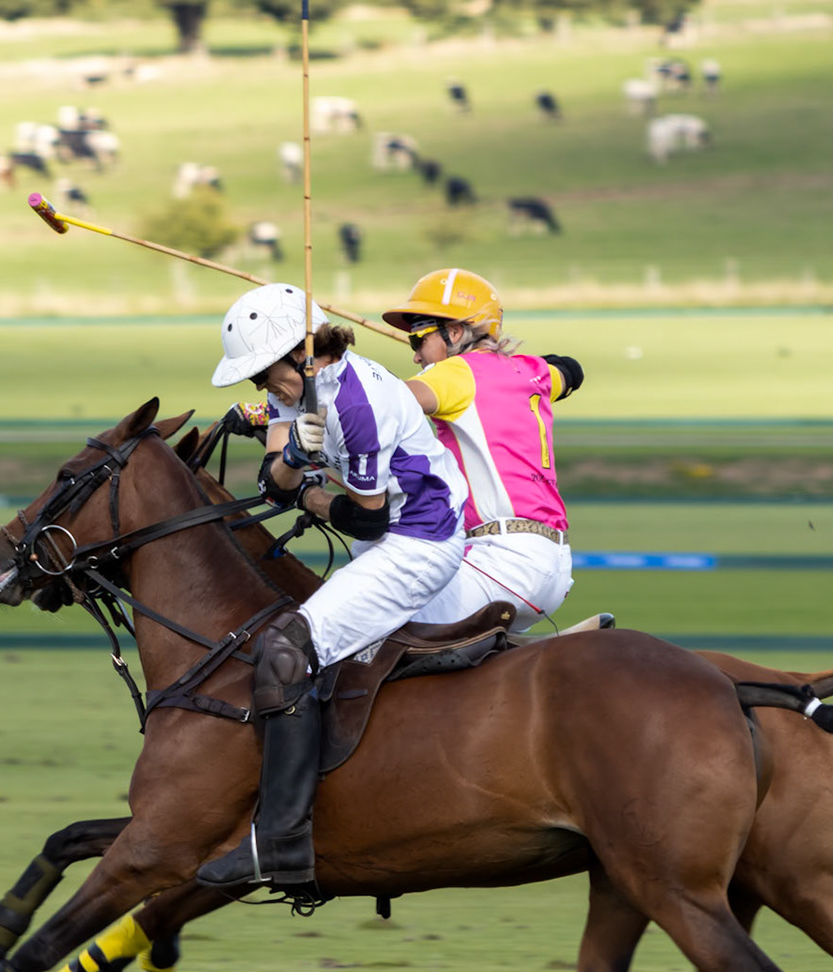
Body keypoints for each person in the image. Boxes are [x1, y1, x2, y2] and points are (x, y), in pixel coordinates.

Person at [195, 283, 468, 898]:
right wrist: (293, 452)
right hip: (387, 533)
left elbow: (363, 517)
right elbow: (272, 485)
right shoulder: (305, 389)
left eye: (265, 375)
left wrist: (308, 492)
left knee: (286, 651)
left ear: (300, 354)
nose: (262, 390)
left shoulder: (356, 403)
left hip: (418, 540)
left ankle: (283, 841)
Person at [383, 269, 583, 634]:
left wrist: (269, 413)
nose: (415, 357)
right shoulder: (533, 371)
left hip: (498, 563)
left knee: (370, 620)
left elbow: (380, 407)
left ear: (455, 332)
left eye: (418, 340)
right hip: (554, 567)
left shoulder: (455, 373)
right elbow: (571, 370)